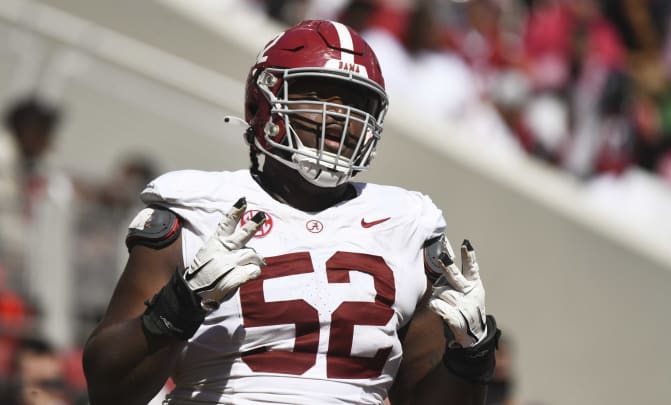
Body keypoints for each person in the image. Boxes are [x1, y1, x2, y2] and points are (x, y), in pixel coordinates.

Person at [82, 20, 501, 405]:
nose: (338, 116)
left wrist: (471, 355)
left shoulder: (407, 225)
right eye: (317, 94)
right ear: (262, 102)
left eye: (357, 102)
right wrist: (181, 305)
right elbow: (108, 387)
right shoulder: (199, 208)